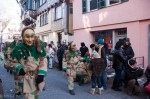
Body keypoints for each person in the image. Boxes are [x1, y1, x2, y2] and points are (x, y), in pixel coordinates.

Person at [11, 27, 47, 99]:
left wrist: (41, 74)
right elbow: (13, 62)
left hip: (37, 77)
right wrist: (19, 68)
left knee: (36, 95)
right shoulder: (18, 48)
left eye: (32, 36)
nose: (30, 40)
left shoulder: (39, 47)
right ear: (23, 37)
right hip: (26, 78)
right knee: (29, 97)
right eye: (27, 37)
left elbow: (43, 61)